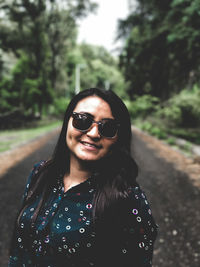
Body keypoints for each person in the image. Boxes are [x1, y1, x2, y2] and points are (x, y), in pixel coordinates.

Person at [8, 88, 158, 267]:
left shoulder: (128, 199)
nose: (94, 134)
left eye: (107, 127)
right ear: (68, 122)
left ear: (118, 138)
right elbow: (18, 249)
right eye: (83, 120)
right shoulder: (41, 174)